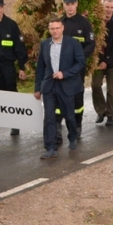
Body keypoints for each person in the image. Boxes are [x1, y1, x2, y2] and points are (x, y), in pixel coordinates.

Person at [34, 17, 86, 159]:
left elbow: (81, 62)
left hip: (67, 85)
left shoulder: (73, 43)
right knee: (49, 117)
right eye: (52, 28)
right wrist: (37, 87)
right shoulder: (45, 44)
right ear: (49, 30)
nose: (55, 31)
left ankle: (72, 137)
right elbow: (41, 67)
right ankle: (51, 147)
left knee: (69, 115)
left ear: (62, 28)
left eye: (57, 28)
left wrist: (65, 74)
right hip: (49, 86)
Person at [0, 0, 28, 136]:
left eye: (1, 7)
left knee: (10, 93)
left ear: (3, 7)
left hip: (7, 65)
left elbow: (19, 46)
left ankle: (15, 124)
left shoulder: (11, 25)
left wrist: (21, 66)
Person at [59, 0, 95, 142]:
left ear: (77, 4)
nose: (70, 6)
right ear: (64, 5)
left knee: (77, 95)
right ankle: (59, 123)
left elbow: (91, 44)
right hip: (62, 68)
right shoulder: (60, 23)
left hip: (78, 67)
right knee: (61, 94)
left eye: (72, 3)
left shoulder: (84, 23)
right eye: (67, 4)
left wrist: (79, 58)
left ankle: (77, 124)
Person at [91, 0, 113, 127]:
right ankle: (101, 111)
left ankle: (111, 115)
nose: (109, 10)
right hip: (97, 62)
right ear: (102, 7)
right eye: (107, 7)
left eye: (111, 7)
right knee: (95, 85)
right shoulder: (95, 23)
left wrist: (107, 61)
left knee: (112, 90)